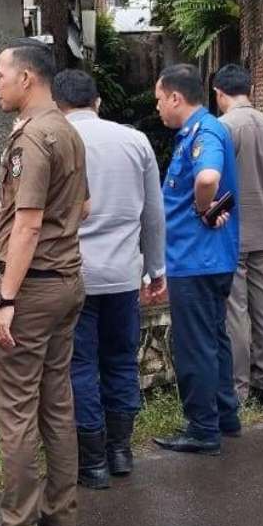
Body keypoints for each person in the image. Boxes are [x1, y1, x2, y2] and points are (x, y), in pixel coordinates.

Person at [0, 40, 88, 526]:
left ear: (28, 79)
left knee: (15, 414)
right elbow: (83, 206)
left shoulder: (33, 137)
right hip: (66, 282)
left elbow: (29, 221)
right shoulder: (67, 130)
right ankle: (61, 521)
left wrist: (6, 298)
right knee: (56, 404)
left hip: (33, 288)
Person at [53, 69, 165, 489]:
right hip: (123, 274)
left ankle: (93, 462)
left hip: (72, 274)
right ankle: (121, 452)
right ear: (98, 102)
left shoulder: (54, 140)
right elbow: (152, 213)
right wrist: (156, 268)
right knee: (120, 360)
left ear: (57, 105)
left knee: (79, 366)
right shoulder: (135, 141)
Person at [150, 63, 241, 456]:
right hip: (209, 259)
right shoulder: (200, 130)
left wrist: (204, 209)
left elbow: (207, 179)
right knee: (215, 339)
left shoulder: (205, 132)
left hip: (195, 259)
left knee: (196, 345)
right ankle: (224, 416)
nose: (157, 109)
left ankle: (202, 429)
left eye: (159, 100)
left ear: (175, 97)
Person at [214, 64, 263, 410]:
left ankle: (238, 390)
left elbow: (208, 182)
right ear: (252, 88)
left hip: (231, 232)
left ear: (218, 93)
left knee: (235, 311)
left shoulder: (221, 128)